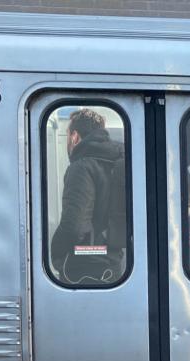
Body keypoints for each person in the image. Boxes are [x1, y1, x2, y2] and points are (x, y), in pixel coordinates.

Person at [50, 108, 126, 284]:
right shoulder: (118, 162)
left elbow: (74, 225)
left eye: (68, 137)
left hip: (83, 268)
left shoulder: (82, 166)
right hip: (114, 263)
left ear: (74, 136)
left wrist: (57, 253)